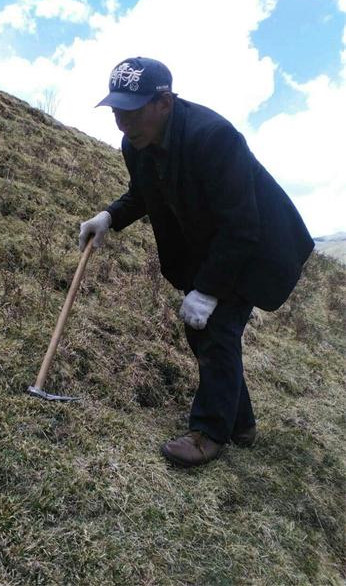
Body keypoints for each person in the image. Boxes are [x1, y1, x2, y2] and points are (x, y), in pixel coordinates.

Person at [79, 57, 314, 468]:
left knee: (217, 328)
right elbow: (143, 192)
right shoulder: (135, 143)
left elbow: (242, 225)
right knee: (202, 333)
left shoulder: (214, 137)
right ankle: (241, 424)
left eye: (131, 112)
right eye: (116, 111)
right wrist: (110, 217)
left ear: (164, 102)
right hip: (213, 244)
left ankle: (209, 432)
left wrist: (206, 290)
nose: (122, 123)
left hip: (256, 247)